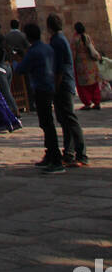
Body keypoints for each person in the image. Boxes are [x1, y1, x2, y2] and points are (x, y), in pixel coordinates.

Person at [12, 23, 63, 173]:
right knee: (47, 123)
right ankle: (50, 155)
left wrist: (17, 59)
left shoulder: (33, 51)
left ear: (27, 36)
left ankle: (56, 160)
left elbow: (21, 69)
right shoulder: (47, 48)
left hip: (40, 89)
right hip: (50, 86)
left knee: (47, 124)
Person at [47, 14, 87, 166]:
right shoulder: (61, 39)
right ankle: (69, 153)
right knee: (65, 120)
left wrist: (55, 87)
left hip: (63, 85)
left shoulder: (57, 41)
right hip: (66, 83)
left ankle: (81, 154)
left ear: (49, 27)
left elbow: (59, 69)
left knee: (69, 119)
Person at [0, 22, 21, 117]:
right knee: (7, 91)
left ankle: (14, 110)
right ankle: (10, 110)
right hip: (8, 66)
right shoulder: (4, 39)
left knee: (5, 91)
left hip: (0, 66)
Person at [71, 21, 103, 110]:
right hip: (91, 64)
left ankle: (87, 102)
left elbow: (73, 53)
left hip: (81, 65)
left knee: (83, 86)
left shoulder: (75, 39)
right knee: (94, 84)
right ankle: (97, 102)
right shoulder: (87, 37)